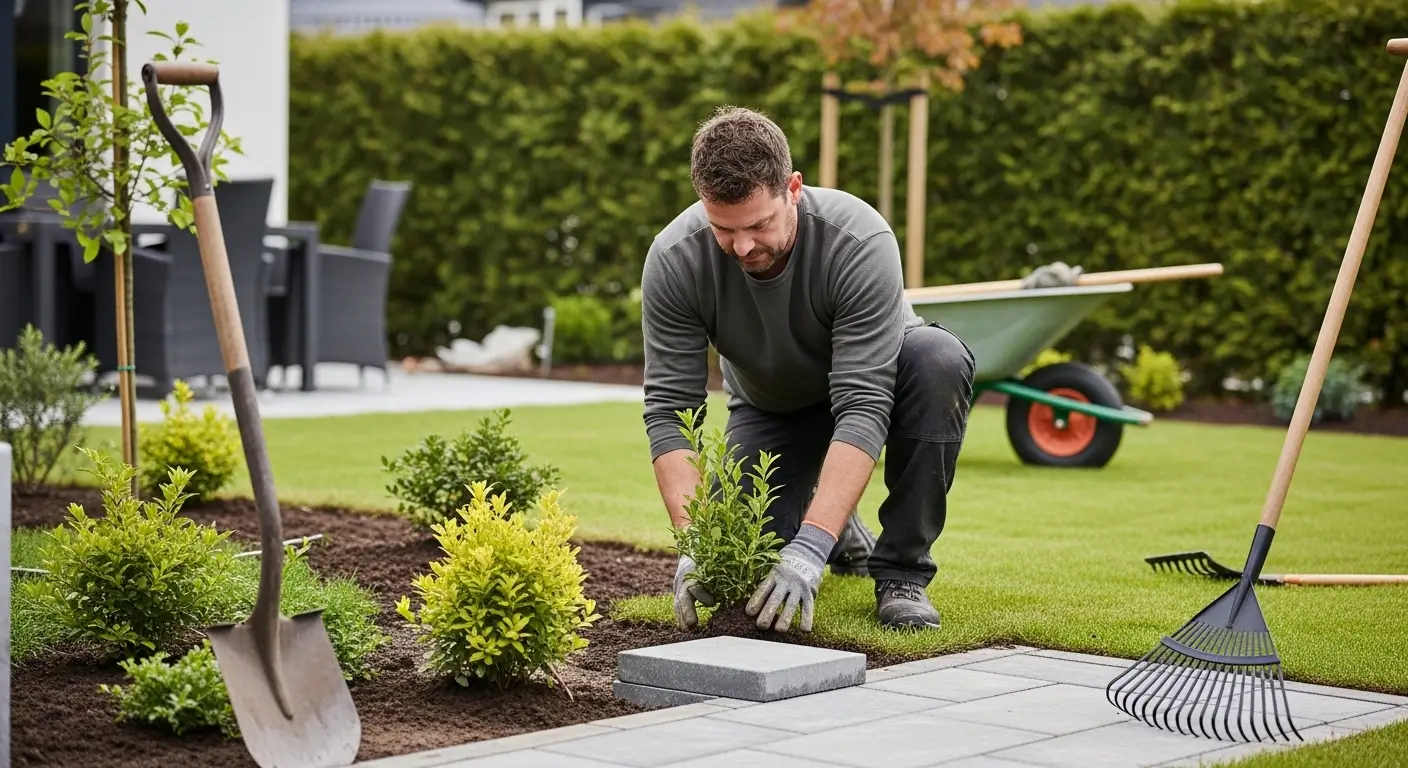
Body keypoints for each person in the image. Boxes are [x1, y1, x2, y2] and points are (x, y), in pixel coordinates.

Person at [640, 105, 976, 633]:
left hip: (881, 381)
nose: (743, 246)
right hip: (772, 407)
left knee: (938, 360)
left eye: (758, 224)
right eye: (724, 230)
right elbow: (669, 412)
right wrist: (695, 546)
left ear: (793, 188)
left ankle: (901, 573)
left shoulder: (859, 239)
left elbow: (864, 404)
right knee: (748, 563)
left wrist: (809, 549)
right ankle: (842, 528)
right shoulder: (675, 258)